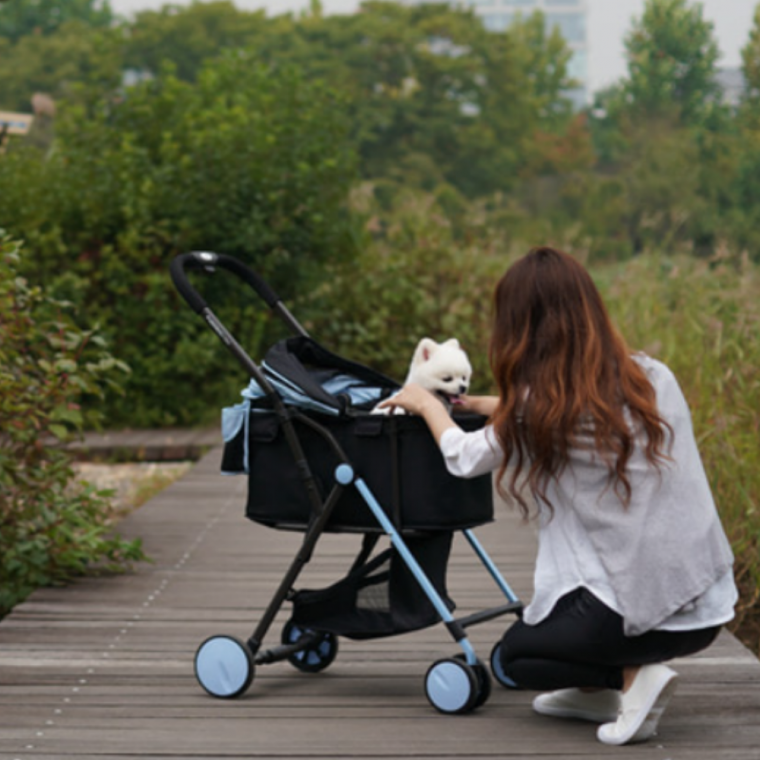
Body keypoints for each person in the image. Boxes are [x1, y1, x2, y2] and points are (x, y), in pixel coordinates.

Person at [378, 246, 737, 746]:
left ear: (520, 326)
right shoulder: (650, 376)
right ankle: (594, 692)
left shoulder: (540, 405)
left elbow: (462, 457)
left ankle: (632, 679)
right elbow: (562, 411)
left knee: (516, 658)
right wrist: (486, 404)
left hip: (635, 614)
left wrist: (422, 402)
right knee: (546, 643)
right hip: (706, 607)